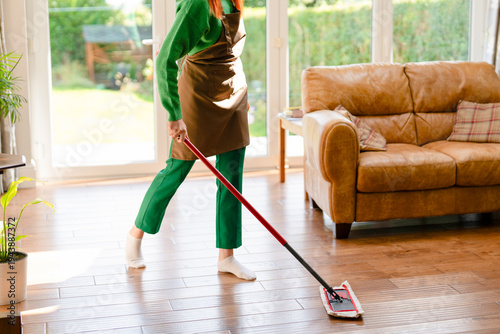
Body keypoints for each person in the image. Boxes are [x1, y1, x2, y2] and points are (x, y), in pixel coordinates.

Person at [125, 0, 255, 281]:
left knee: (231, 176)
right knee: (176, 169)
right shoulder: (197, 5)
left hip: (233, 92)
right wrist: (174, 114)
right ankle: (135, 235)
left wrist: (242, 94)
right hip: (198, 95)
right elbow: (164, 60)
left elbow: (231, 50)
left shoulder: (234, 2)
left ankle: (227, 257)